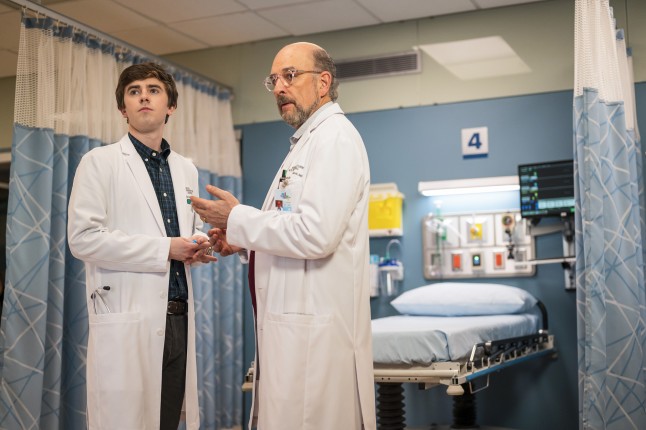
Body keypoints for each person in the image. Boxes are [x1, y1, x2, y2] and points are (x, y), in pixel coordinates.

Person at [191, 42, 376, 429]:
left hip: (314, 339)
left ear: (323, 83)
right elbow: (292, 226)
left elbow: (316, 235)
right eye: (273, 80)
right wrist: (244, 240)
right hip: (295, 332)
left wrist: (238, 217)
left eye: (290, 76)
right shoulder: (307, 144)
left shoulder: (335, 139)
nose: (279, 88)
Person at [67, 62, 216, 430]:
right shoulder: (98, 163)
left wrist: (199, 245)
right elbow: (83, 239)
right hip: (128, 315)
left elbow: (188, 231)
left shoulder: (186, 169)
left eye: (153, 90)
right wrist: (167, 249)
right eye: (134, 92)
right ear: (123, 109)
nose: (143, 97)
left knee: (166, 420)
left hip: (177, 315)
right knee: (126, 421)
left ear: (170, 106)